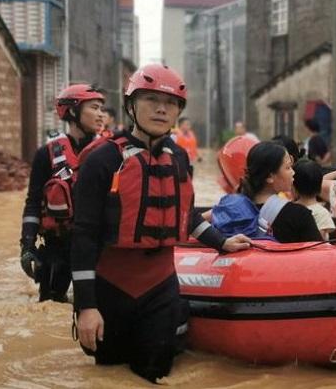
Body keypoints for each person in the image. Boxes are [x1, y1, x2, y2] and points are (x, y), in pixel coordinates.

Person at [70, 64, 251, 383]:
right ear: (131, 105)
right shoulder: (101, 160)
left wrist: (221, 242)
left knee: (154, 375)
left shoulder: (179, 158)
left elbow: (186, 215)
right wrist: (86, 306)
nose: (160, 108)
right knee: (110, 376)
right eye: (151, 99)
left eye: (170, 103)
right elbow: (83, 235)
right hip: (111, 288)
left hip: (161, 289)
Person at [20, 84, 105, 303]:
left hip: (97, 247)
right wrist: (27, 246)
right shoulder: (45, 155)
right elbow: (33, 203)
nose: (101, 114)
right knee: (50, 304)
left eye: (101, 109)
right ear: (73, 111)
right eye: (94, 108)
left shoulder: (109, 153)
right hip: (58, 246)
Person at [210, 142, 322, 242]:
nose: (293, 172)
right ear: (270, 176)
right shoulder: (299, 216)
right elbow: (319, 257)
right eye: (288, 168)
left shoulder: (229, 209)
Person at [292, 159, 335, 240]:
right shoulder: (322, 213)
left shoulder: (289, 208)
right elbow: (319, 239)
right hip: (315, 251)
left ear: (294, 186)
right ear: (320, 185)